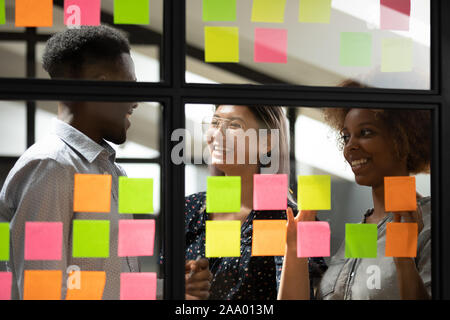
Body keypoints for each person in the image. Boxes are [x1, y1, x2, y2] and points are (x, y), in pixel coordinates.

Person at [0, 26, 210, 300]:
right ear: (100, 86)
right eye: (130, 85)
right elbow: (42, 291)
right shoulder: (51, 166)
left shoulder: (110, 169)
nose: (136, 101)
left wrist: (173, 288)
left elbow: (106, 285)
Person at [278, 92, 432, 299]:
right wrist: (295, 250)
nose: (350, 146)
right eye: (346, 136)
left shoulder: (430, 221)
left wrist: (404, 261)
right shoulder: (360, 233)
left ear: (402, 139)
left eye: (366, 132)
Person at [184, 105, 327, 300]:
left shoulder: (293, 220)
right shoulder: (189, 209)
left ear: (266, 142)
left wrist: (294, 248)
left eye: (234, 125)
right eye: (215, 122)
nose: (217, 134)